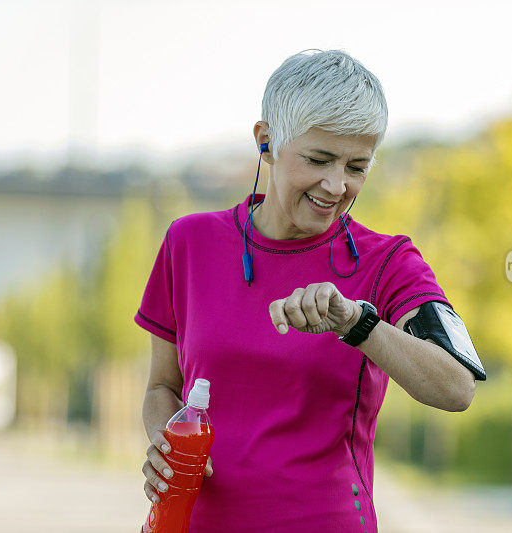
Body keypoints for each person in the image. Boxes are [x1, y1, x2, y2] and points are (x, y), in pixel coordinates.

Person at [135, 48, 485, 533]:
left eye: (357, 167)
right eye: (319, 159)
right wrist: (162, 441)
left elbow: (456, 386)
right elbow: (162, 387)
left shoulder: (389, 262)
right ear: (266, 141)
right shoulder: (188, 244)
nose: (336, 185)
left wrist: (357, 323)